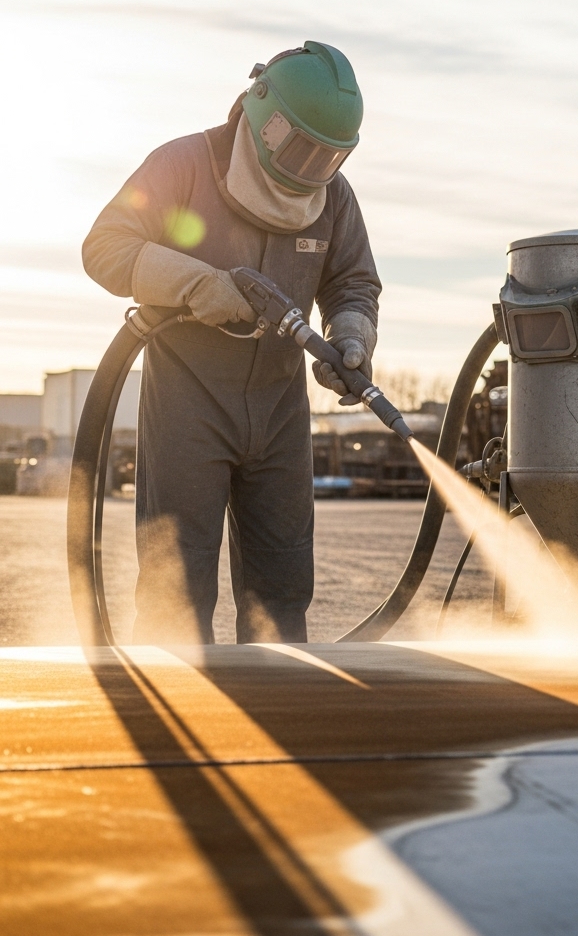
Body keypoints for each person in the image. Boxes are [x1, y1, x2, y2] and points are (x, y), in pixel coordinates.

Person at [82, 41, 380, 644]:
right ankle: (180, 724)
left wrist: (349, 332)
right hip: (188, 404)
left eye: (328, 158)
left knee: (282, 586)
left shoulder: (333, 198)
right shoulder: (183, 164)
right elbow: (103, 248)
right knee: (176, 590)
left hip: (279, 406)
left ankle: (274, 720)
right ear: (261, 114)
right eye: (300, 147)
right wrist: (192, 284)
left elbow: (353, 282)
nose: (308, 168)